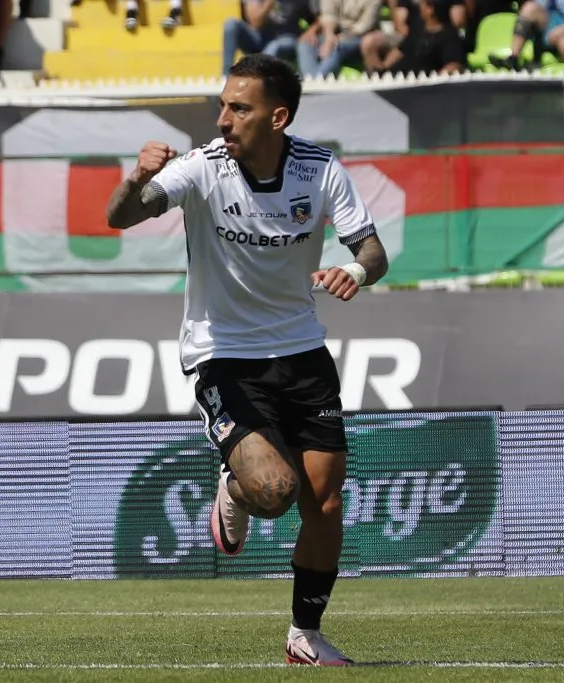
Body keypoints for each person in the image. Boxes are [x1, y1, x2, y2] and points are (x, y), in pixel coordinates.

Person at [105, 53, 388, 667]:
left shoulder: (319, 169)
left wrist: (356, 271)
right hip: (224, 354)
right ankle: (234, 488)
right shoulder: (201, 168)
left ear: (277, 117)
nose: (224, 118)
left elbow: (372, 249)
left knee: (327, 501)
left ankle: (304, 637)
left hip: (303, 350)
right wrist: (135, 179)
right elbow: (120, 216)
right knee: (274, 490)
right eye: (223, 104)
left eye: (240, 108)